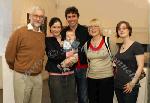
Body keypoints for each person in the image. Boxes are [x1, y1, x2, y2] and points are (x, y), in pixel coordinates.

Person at [5, 6, 45, 103]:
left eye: (41, 17)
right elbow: (9, 55)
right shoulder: (19, 32)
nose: (38, 19)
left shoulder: (42, 35)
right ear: (30, 17)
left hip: (38, 76)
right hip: (22, 76)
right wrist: (19, 68)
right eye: (36, 16)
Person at [61, 6, 91, 103]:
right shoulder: (63, 32)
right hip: (69, 68)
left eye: (73, 16)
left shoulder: (85, 30)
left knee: (83, 96)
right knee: (70, 95)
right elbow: (63, 49)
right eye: (69, 17)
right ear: (66, 18)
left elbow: (89, 46)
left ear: (78, 17)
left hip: (83, 67)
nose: (71, 19)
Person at [84, 18, 116, 103]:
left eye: (96, 26)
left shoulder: (108, 41)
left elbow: (116, 58)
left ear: (100, 28)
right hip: (91, 78)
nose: (93, 29)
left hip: (106, 79)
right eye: (90, 27)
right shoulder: (86, 44)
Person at [45, 17, 77, 103]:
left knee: (71, 99)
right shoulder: (47, 40)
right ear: (50, 28)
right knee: (57, 99)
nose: (56, 29)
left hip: (70, 75)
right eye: (54, 27)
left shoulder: (66, 37)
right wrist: (68, 54)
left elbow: (76, 47)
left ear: (61, 28)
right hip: (56, 76)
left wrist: (74, 50)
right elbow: (53, 55)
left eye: (58, 27)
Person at [114, 21, 144, 103]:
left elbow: (140, 66)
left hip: (130, 85)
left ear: (129, 30)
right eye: (119, 29)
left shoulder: (136, 46)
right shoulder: (120, 46)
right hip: (118, 85)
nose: (121, 30)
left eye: (124, 28)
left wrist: (132, 83)